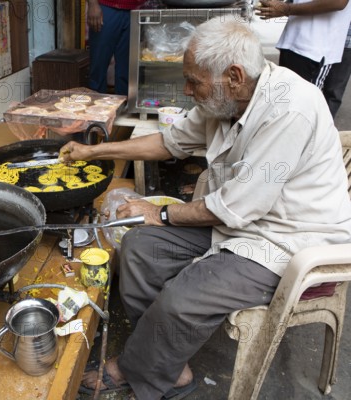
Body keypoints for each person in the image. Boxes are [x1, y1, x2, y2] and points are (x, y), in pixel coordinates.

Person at [60, 16, 351, 399]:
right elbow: (168, 143)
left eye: (193, 81)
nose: (186, 89)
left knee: (182, 297)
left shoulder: (289, 108)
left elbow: (233, 208)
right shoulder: (228, 99)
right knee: (139, 249)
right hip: (239, 220)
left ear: (232, 75)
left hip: (286, 240)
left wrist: (159, 212)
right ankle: (169, 366)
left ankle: (136, 369)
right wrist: (94, 150)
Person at [255, 0, 351, 89]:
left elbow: (338, 2)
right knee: (286, 100)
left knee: (305, 102)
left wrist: (286, 9)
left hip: (316, 51)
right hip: (292, 44)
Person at [87, 0, 147, 95]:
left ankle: (123, 107)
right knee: (98, 67)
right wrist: (92, 3)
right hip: (106, 8)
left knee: (127, 70)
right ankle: (96, 106)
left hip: (135, 10)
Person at [322, 22, 351, 117]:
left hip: (347, 45)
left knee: (334, 92)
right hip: (321, 40)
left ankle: (325, 127)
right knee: (309, 86)